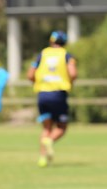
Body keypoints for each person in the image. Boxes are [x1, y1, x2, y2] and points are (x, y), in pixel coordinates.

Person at [27, 30, 77, 167]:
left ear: (51, 41)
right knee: (61, 127)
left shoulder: (42, 54)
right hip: (58, 94)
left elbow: (30, 75)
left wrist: (40, 84)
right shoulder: (67, 55)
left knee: (46, 128)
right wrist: (70, 82)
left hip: (42, 94)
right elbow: (73, 73)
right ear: (64, 42)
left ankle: (42, 159)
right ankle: (50, 141)